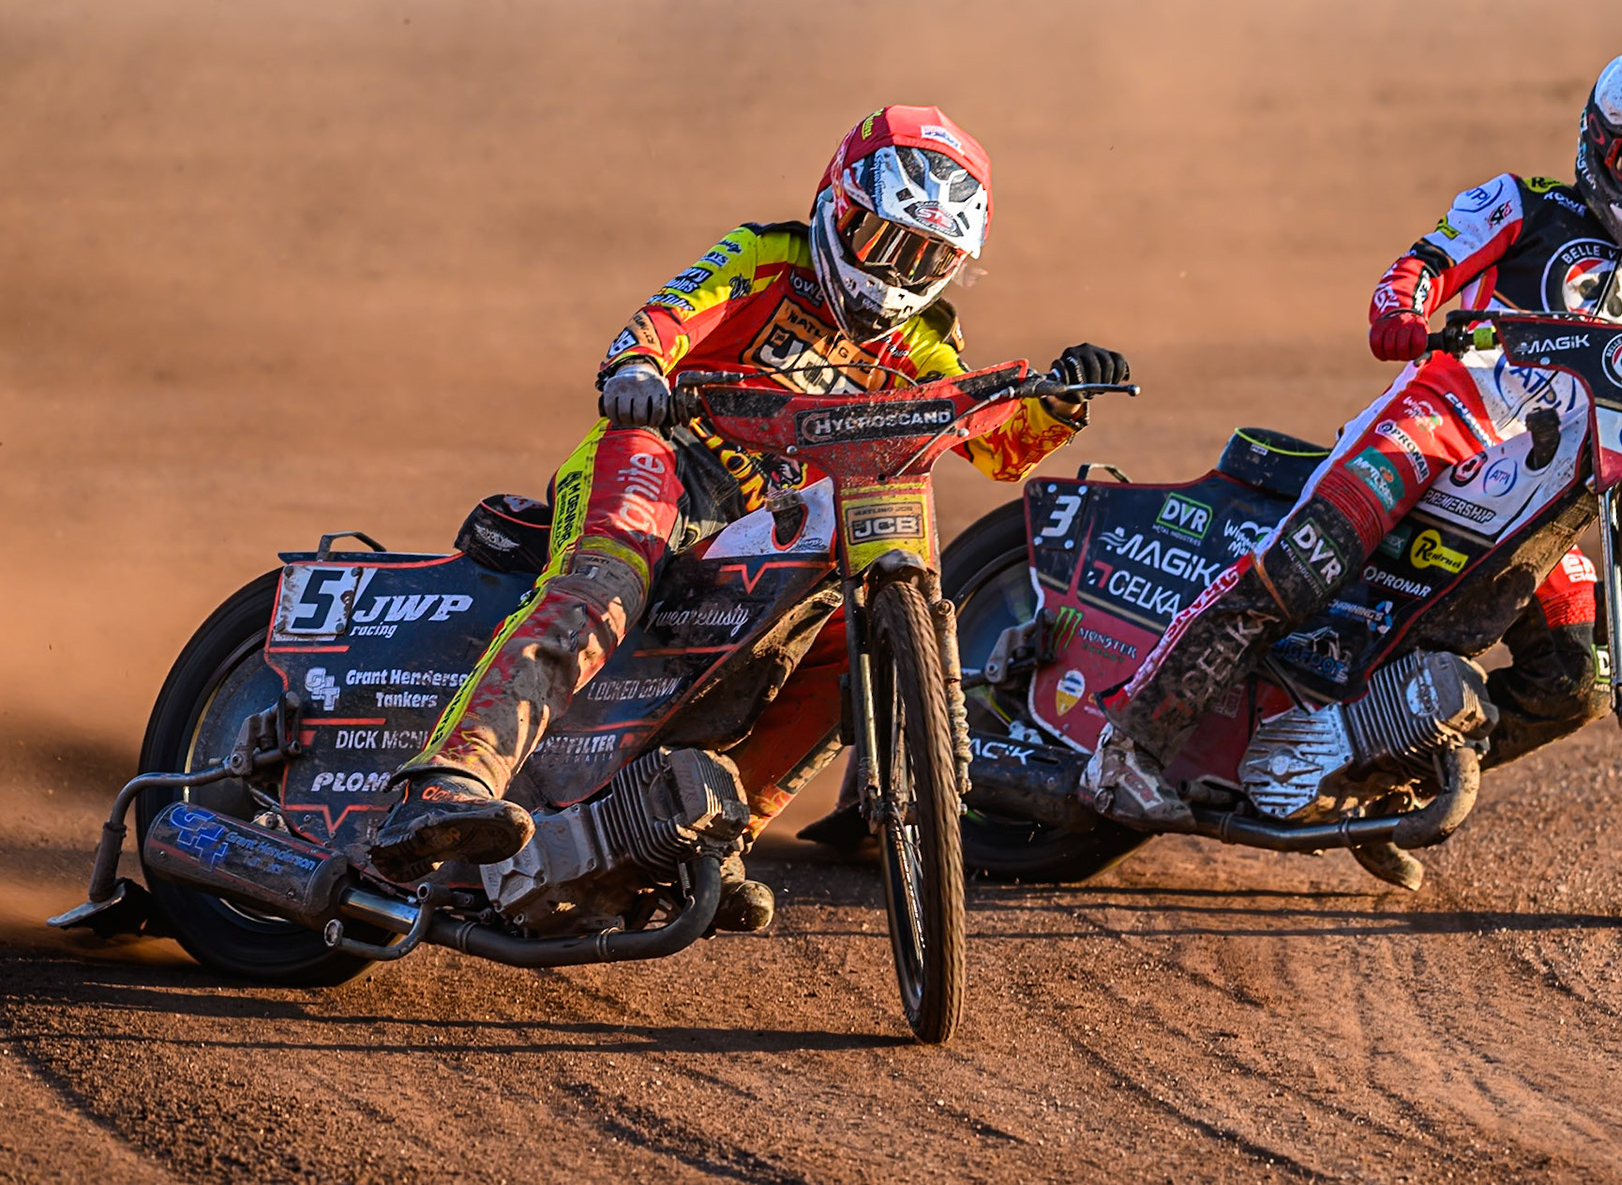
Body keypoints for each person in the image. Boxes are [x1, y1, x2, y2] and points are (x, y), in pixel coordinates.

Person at [370, 105, 1130, 929]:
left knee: (845, 647)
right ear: (837, 207)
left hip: (767, 525)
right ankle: (451, 781)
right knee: (607, 582)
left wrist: (1058, 403)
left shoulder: (924, 339)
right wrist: (638, 367)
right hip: (663, 459)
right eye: (884, 241)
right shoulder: (767, 256)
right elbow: (668, 318)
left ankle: (716, 837)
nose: (897, 273)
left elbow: (991, 445)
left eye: (925, 256)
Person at [1081, 46, 1622, 834]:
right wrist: (1401, 312)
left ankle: (1379, 773)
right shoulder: (1523, 204)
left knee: (1577, 682)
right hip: (1432, 431)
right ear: (1600, 146)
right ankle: (1127, 750)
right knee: (1294, 572)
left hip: (1539, 505)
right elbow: (1425, 262)